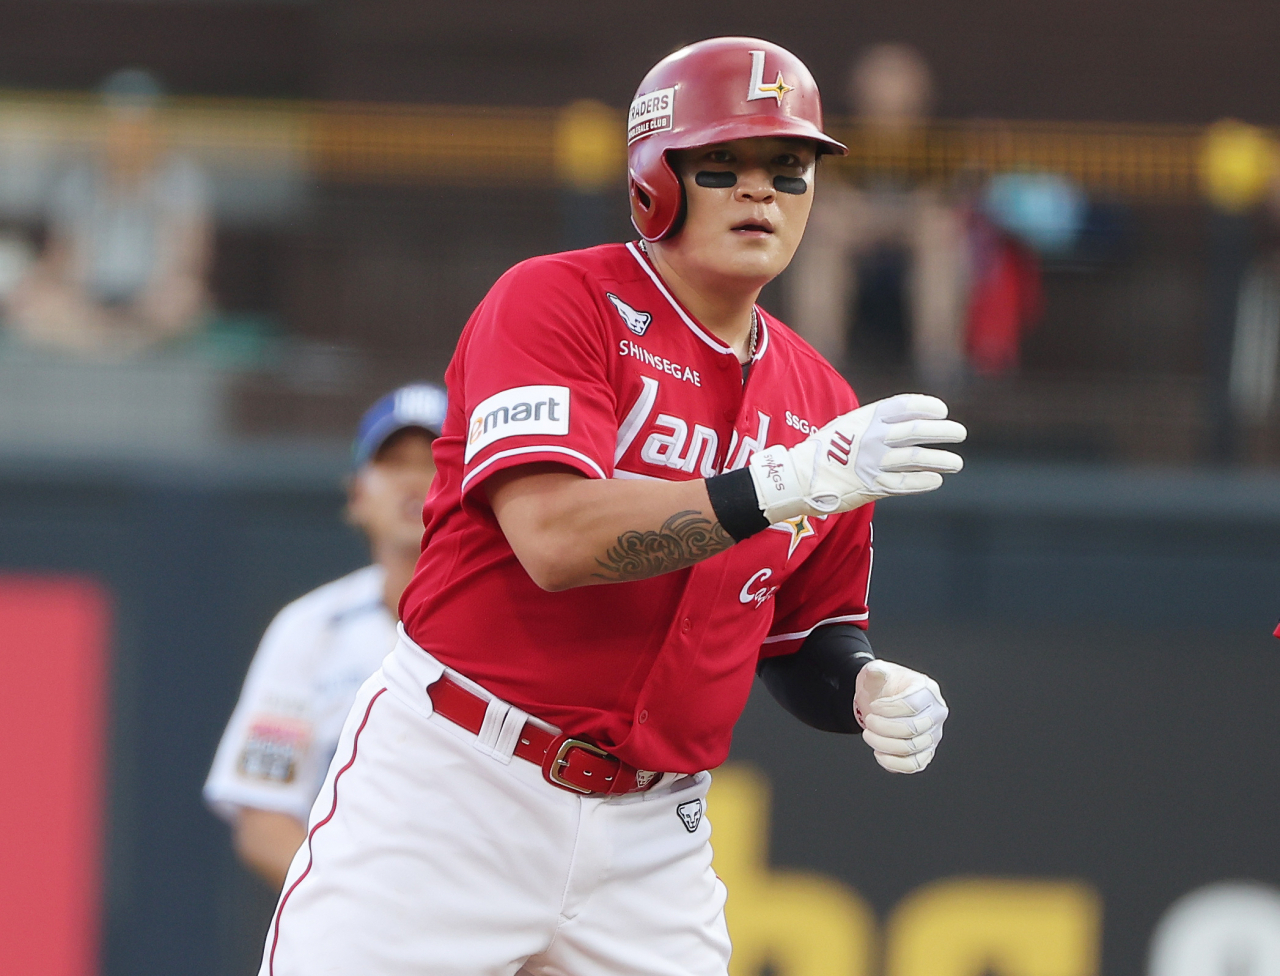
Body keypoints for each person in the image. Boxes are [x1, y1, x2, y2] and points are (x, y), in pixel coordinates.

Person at [263, 37, 965, 976]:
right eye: (724, 165)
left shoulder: (823, 401)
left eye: (788, 171)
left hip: (653, 835)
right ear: (654, 182)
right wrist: (782, 483)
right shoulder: (557, 301)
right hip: (460, 780)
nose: (761, 192)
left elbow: (806, 636)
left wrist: (866, 686)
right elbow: (553, 537)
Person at [204, 383, 447, 890]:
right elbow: (263, 815)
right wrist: (359, 913)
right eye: (393, 462)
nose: (414, 481)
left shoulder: (517, 622)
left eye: (436, 460)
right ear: (358, 494)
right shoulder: (310, 628)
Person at [788, 43, 970, 387]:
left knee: (943, 235)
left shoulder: (941, 139)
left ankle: (939, 361)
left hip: (912, 241)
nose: (889, 101)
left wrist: (909, 217)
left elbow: (947, 199)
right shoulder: (835, 131)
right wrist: (855, 213)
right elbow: (820, 190)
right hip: (854, 240)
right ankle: (816, 360)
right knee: (823, 233)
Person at [7, 69, 212, 355]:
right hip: (87, 300)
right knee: (33, 304)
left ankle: (115, 345)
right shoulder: (79, 178)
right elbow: (60, 256)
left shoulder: (180, 178)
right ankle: (112, 346)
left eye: (138, 127)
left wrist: (151, 301)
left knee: (184, 301)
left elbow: (190, 261)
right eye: (119, 126)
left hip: (150, 302)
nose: (128, 137)